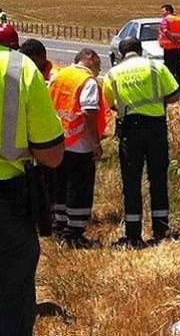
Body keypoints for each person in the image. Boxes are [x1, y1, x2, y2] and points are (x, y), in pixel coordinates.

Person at [0, 0, 65, 336]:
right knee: (9, 316)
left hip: (1, 208)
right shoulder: (18, 68)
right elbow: (53, 156)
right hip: (1, 212)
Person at [104, 37, 180, 248]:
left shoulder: (113, 74)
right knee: (158, 179)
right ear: (140, 49)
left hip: (130, 129)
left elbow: (111, 103)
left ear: (120, 53)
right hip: (155, 127)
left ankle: (133, 235)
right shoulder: (156, 66)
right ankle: (161, 230)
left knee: (131, 182)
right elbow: (174, 95)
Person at [48, 48, 108, 248]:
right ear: (89, 58)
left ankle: (59, 228)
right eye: (98, 63)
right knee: (79, 189)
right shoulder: (87, 81)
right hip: (80, 143)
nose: (99, 69)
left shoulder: (59, 76)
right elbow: (89, 112)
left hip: (58, 140)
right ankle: (74, 234)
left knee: (60, 187)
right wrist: (95, 143)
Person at [158, 3, 180, 91]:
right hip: (179, 48)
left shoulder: (166, 20)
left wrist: (173, 39)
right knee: (179, 69)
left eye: (163, 11)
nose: (162, 13)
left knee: (169, 70)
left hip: (169, 49)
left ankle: (170, 89)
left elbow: (165, 30)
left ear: (168, 11)